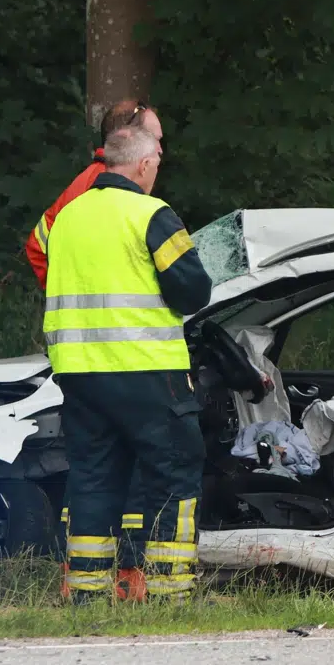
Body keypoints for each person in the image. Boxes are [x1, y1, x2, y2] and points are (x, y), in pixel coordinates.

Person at [44, 125, 212, 604]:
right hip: (146, 371)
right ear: (142, 164)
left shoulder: (67, 218)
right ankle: (171, 592)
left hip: (79, 374)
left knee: (93, 478)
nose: (157, 169)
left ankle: (86, 594)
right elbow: (194, 291)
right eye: (156, 161)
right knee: (174, 472)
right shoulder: (150, 214)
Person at [25, 99, 164, 290]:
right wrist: (72, 291)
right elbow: (38, 245)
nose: (160, 149)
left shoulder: (109, 179)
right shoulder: (101, 182)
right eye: (155, 139)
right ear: (128, 137)